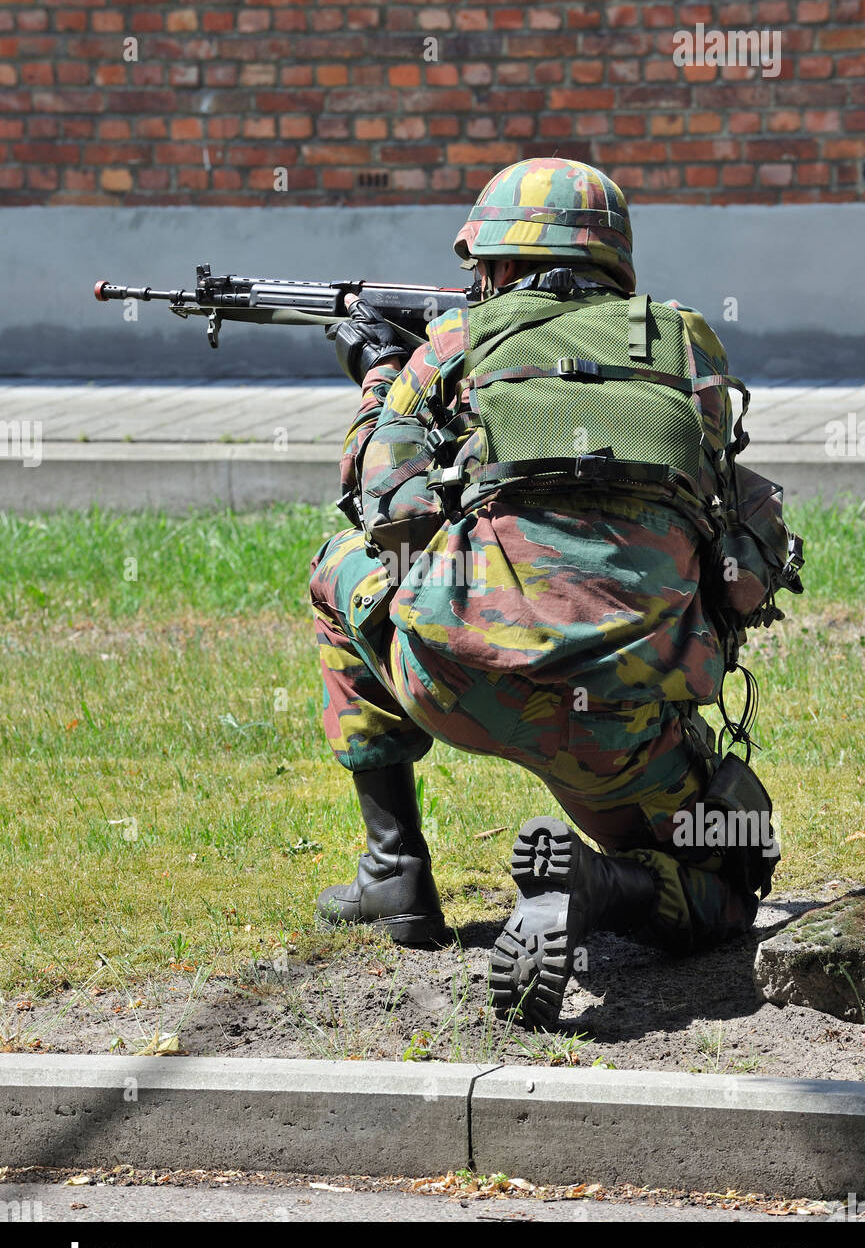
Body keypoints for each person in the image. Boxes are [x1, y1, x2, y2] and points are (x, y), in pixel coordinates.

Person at [309, 157, 801, 1030]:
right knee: (727, 883)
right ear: (614, 262)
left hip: (460, 681)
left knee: (339, 561)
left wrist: (384, 374)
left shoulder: (454, 350)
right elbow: (726, 511)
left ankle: (395, 872)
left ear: (492, 264)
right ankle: (594, 883)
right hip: (622, 719)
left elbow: (378, 496)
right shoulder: (686, 345)